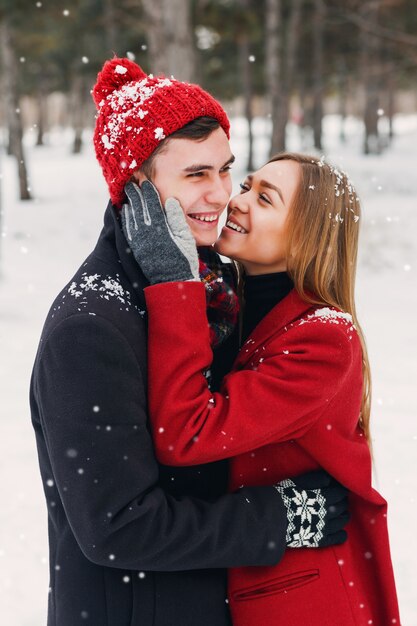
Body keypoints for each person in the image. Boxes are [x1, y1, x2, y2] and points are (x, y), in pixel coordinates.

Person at [30, 58, 349, 626]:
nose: (222, 193)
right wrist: (275, 519)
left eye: (226, 169)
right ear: (137, 188)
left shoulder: (212, 283)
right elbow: (120, 528)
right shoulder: (92, 325)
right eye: (196, 175)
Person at [122, 153, 401, 625]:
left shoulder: (325, 339)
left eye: (264, 198)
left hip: (304, 602)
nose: (239, 201)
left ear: (306, 238)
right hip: (243, 581)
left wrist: (175, 285)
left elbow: (187, 433)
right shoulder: (233, 303)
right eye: (248, 186)